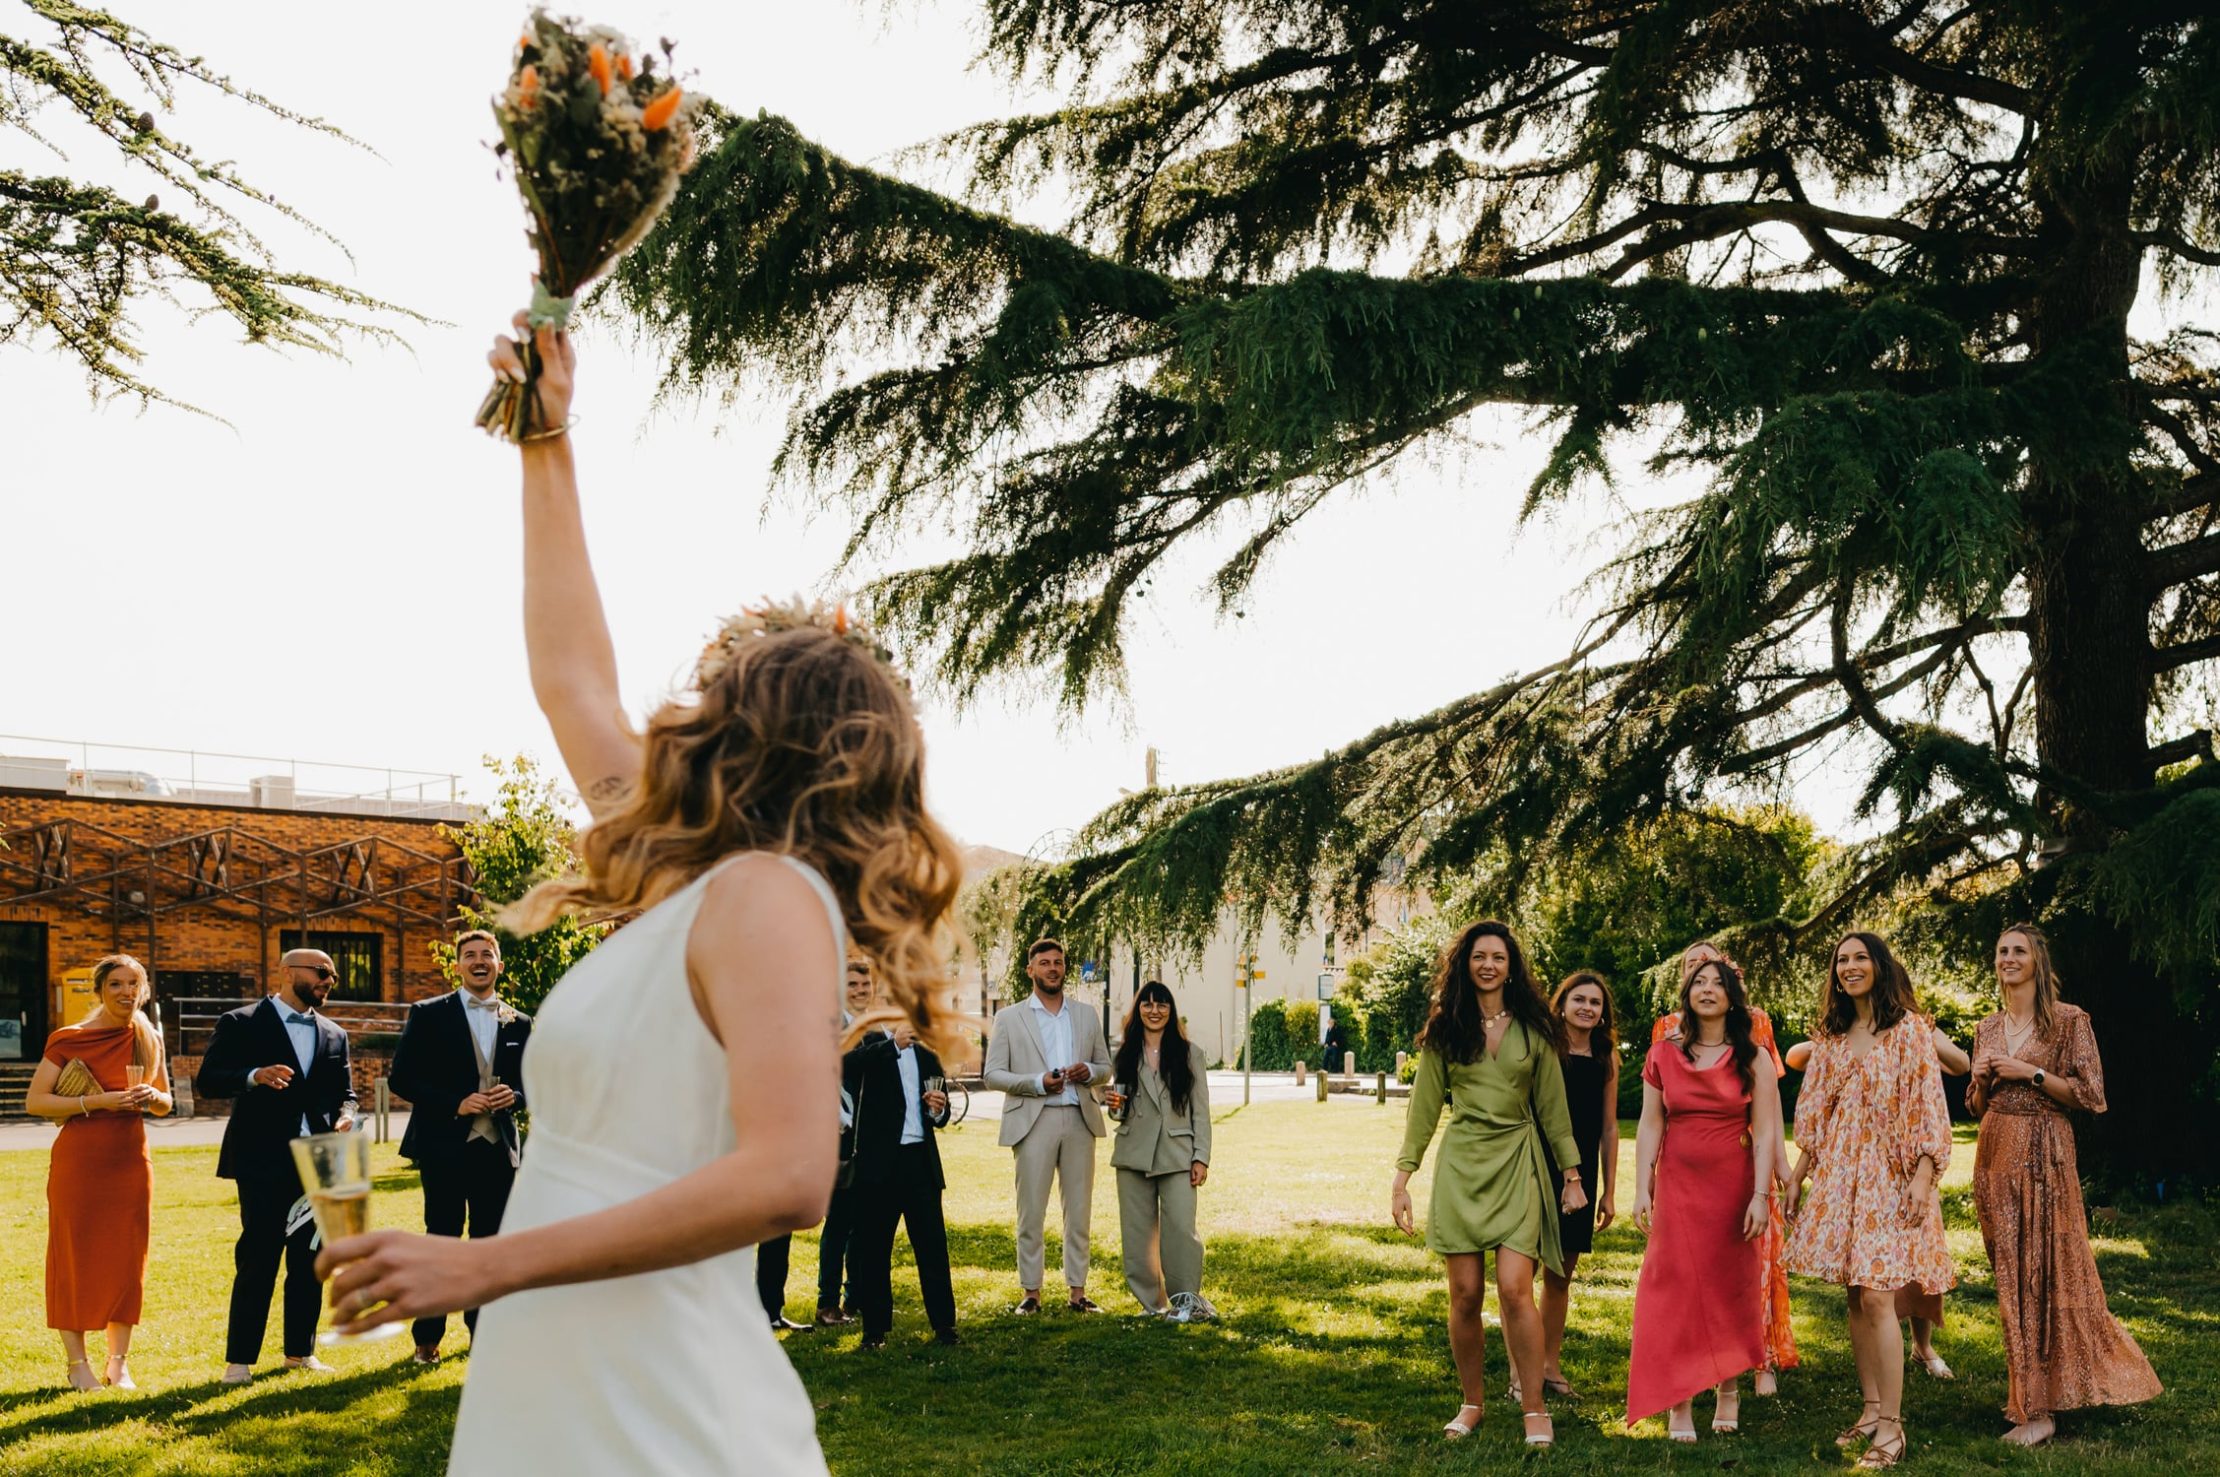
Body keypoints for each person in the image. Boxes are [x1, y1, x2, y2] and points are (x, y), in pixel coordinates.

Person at [315, 318, 965, 1477]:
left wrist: (485, 1266)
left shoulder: (768, 899)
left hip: (662, 1399)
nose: (680, 702)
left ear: (751, 732)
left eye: (715, 687)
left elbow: (789, 1175)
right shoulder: (682, 885)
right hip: (561, 1366)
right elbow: (571, 679)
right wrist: (546, 443)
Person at [1391, 921, 1586, 1450]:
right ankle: (1472, 1402)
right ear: (1465, 964)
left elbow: (1553, 1108)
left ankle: (1534, 1407)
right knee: (1465, 1293)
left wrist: (1571, 1176)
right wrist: (1402, 1179)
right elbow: (1424, 1108)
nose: (1489, 965)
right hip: (1463, 1166)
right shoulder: (1446, 1029)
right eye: (1480, 956)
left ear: (1511, 966)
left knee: (1517, 1290)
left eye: (1498, 957)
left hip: (1518, 1163)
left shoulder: (1536, 1029)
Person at [1967, 923, 2160, 1447]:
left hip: (2046, 1154)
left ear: (2037, 961)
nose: (2008, 958)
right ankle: (2027, 1398)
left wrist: (2026, 1072)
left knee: (2048, 1272)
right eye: (2002, 950)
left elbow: (2091, 1095)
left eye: (2018, 951)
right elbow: (1976, 1106)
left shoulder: (2068, 1020)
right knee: (2011, 1279)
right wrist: (1984, 1080)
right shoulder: (1986, 1026)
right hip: (1994, 1155)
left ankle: (2044, 1408)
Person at [1784, 932, 1954, 1470]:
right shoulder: (1831, 1038)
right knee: (1857, 1295)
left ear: (1879, 966)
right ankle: (1870, 1408)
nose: (1850, 967)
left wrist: (1923, 1179)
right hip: (1841, 1175)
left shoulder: (1908, 1032)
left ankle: (1893, 1428)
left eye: (1860, 958)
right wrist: (1797, 1175)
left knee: (1881, 1297)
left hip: (1892, 1176)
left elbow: (1930, 1108)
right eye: (1842, 961)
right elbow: (1814, 1115)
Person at [1626, 955, 1780, 1441]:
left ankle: (1728, 1390)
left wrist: (1761, 1195)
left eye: (1719, 983)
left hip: (1734, 1186)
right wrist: (1640, 1185)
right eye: (1699, 982)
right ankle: (1678, 1401)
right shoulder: (1663, 1054)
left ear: (1733, 997)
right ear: (1687, 994)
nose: (1708, 989)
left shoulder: (1753, 1057)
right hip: (1677, 1185)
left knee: (1727, 1287)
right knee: (1675, 1290)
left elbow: (1768, 1131)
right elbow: (1651, 1123)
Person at [195, 947, 358, 1384]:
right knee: (259, 1257)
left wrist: (347, 1114)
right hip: (262, 1159)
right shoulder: (241, 1022)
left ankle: (299, 1354)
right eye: (322, 971)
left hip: (320, 1161)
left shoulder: (334, 1034)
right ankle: (239, 1362)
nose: (329, 980)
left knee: (310, 1259)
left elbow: (347, 1092)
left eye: (334, 975)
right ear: (287, 972)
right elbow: (208, 1079)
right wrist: (253, 1075)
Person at [1786, 1021, 1969, 1379]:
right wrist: (1836, 1044)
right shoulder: (1841, 1032)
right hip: (1853, 1172)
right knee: (1863, 1287)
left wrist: (1921, 1039)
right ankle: (1875, 1403)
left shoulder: (1915, 1028)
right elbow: (1799, 1065)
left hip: (1900, 1166)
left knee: (1907, 1273)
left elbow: (1957, 1068)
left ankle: (1919, 1354)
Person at [1652, 939, 1796, 1394]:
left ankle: (1752, 1364)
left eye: (1716, 972)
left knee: (1741, 1276)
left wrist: (1776, 1176)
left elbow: (1767, 1115)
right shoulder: (1665, 1036)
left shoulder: (1754, 1036)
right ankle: (1685, 1385)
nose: (1706, 979)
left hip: (1738, 1171)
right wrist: (1648, 1183)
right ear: (1685, 981)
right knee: (1682, 1280)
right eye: (1696, 971)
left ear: (1731, 983)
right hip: (1681, 1179)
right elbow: (1656, 1111)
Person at [25, 954, 171, 1391]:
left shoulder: (148, 1038)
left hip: (130, 1162)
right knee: (75, 1257)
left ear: (143, 991)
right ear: (100, 990)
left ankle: (118, 1363)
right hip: (80, 1164)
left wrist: (150, 1096)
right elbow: (36, 1102)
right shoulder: (68, 1038)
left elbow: (165, 1104)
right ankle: (77, 1365)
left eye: (134, 984)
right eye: (116, 985)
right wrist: (97, 1102)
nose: (126, 992)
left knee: (127, 1259)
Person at [389, 929, 534, 1363]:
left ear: (499, 964)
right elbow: (403, 1078)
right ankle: (427, 1340)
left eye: (486, 954)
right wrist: (455, 1102)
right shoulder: (429, 1013)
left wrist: (518, 1097)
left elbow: (535, 1082)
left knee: (490, 1246)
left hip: (497, 1150)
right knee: (442, 1240)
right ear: (457, 966)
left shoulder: (520, 1021)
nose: (478, 961)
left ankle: (483, 1338)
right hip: (444, 1147)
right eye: (469, 955)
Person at [983, 937, 1111, 1314]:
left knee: (1079, 1210)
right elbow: (992, 1074)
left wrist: (1090, 1072)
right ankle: (1031, 1293)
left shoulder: (1086, 1015)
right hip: (1033, 1120)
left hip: (1079, 1118)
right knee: (1031, 1211)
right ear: (1031, 970)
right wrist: (1038, 1082)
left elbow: (1106, 1068)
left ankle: (1077, 1292)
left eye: (1058, 962)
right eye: (1044, 963)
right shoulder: (1009, 1017)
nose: (1052, 968)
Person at [844, 999, 958, 1349]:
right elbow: (848, 1065)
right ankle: (875, 1331)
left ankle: (944, 1326)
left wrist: (938, 1109)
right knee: (874, 1250)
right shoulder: (869, 1046)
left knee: (933, 1248)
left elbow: (943, 1106)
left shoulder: (927, 1053)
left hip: (920, 1163)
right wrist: (894, 1045)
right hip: (879, 1166)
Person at [1104, 981, 1215, 1320]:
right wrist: (1111, 1105)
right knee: (1137, 1233)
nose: (1155, 1010)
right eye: (1148, 1004)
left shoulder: (1190, 1053)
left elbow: (1201, 1111)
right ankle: (1152, 1305)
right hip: (1133, 1151)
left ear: (1171, 1010)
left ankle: (1185, 1302)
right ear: (1138, 1010)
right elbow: (1118, 1110)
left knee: (1181, 1230)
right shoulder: (1123, 1053)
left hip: (1177, 1153)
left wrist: (1201, 1156)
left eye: (1162, 1004)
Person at [1537, 970, 1617, 1398]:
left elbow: (1608, 1127)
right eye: (1579, 1000)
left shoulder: (1606, 1057)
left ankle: (1550, 1366)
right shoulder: (1543, 1048)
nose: (1587, 1007)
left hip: (1582, 1176)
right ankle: (1522, 1370)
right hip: (1538, 1167)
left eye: (1595, 1002)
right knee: (1522, 1275)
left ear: (1603, 1014)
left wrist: (1607, 1190)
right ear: (1562, 1003)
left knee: (1560, 1276)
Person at [815, 959, 879, 1327]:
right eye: (852, 984)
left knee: (864, 1221)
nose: (859, 990)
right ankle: (827, 1304)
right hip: (840, 1135)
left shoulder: (872, 1024)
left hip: (869, 1136)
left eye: (864, 984)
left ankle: (855, 1298)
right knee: (839, 1222)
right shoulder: (832, 1025)